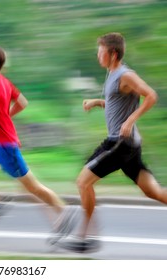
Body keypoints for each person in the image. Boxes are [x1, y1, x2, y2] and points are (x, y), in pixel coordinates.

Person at [57, 32, 167, 252]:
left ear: (113, 53)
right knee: (153, 192)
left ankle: (86, 238)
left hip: (120, 143)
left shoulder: (125, 75)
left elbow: (151, 95)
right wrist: (98, 102)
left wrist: (131, 119)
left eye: (101, 51)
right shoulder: (113, 73)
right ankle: (87, 236)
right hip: (126, 143)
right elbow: (118, 104)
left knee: (83, 182)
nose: (98, 55)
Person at [0, 46, 77, 240]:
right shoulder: (4, 82)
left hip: (4, 146)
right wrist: (4, 116)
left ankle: (63, 211)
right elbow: (23, 102)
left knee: (32, 186)